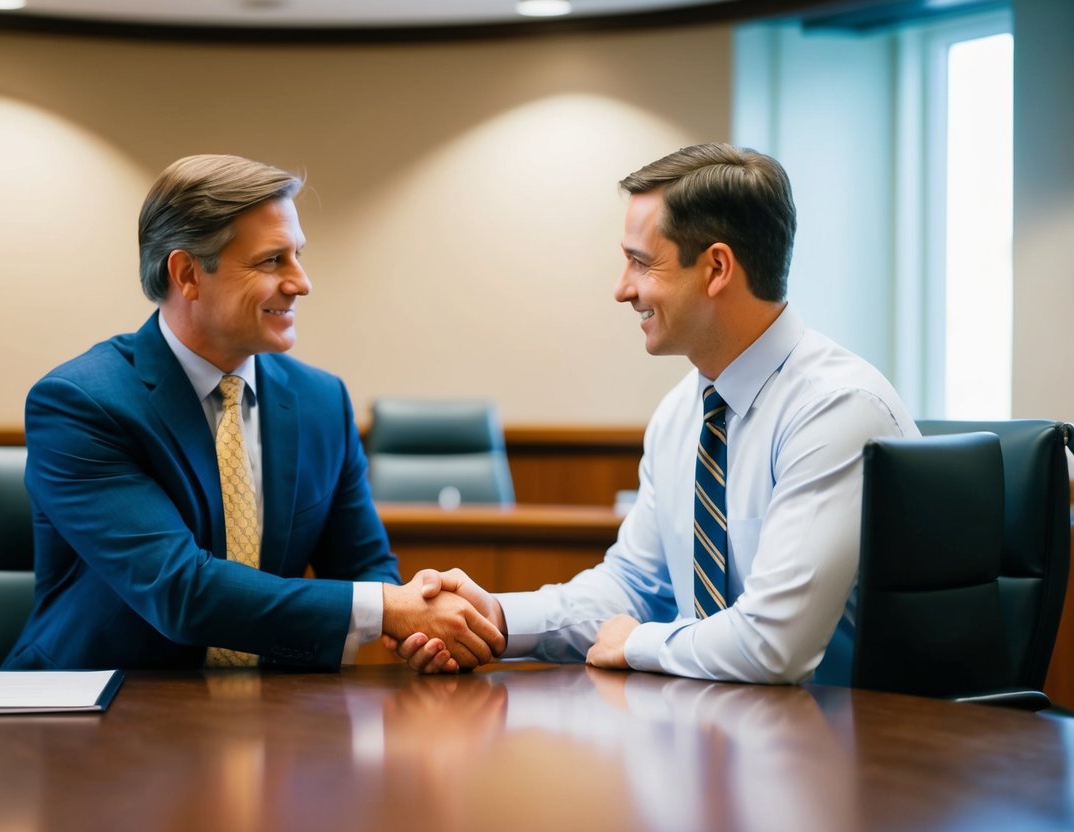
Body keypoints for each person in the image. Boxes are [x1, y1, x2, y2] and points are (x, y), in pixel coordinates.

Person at [392, 142, 918, 684]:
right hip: (731, 736)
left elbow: (772, 644)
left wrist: (636, 641)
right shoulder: (680, 415)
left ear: (716, 268)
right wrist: (494, 618)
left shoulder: (836, 410)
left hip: (865, 748)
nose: (623, 289)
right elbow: (634, 586)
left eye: (641, 262)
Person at [2, 154, 503, 672]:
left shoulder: (322, 400)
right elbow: (181, 591)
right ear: (188, 273)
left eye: (298, 255)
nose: (301, 282)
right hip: (98, 712)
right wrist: (386, 610)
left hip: (276, 714)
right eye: (271, 261)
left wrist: (414, 625)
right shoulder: (81, 402)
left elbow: (364, 566)